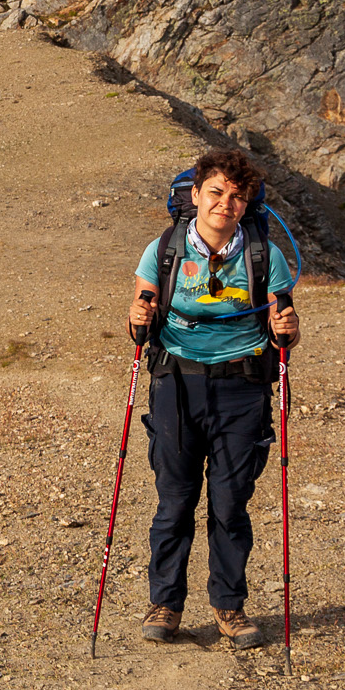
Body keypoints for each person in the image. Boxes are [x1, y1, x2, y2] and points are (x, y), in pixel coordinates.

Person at [122, 148, 300, 649]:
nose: (226, 203)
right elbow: (141, 321)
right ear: (195, 195)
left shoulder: (265, 255)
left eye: (237, 196)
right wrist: (137, 322)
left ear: (246, 205)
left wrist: (288, 329)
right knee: (174, 503)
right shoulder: (163, 251)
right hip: (177, 385)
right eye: (217, 192)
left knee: (229, 504)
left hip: (242, 389)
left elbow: (284, 330)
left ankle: (229, 607)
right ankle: (166, 605)